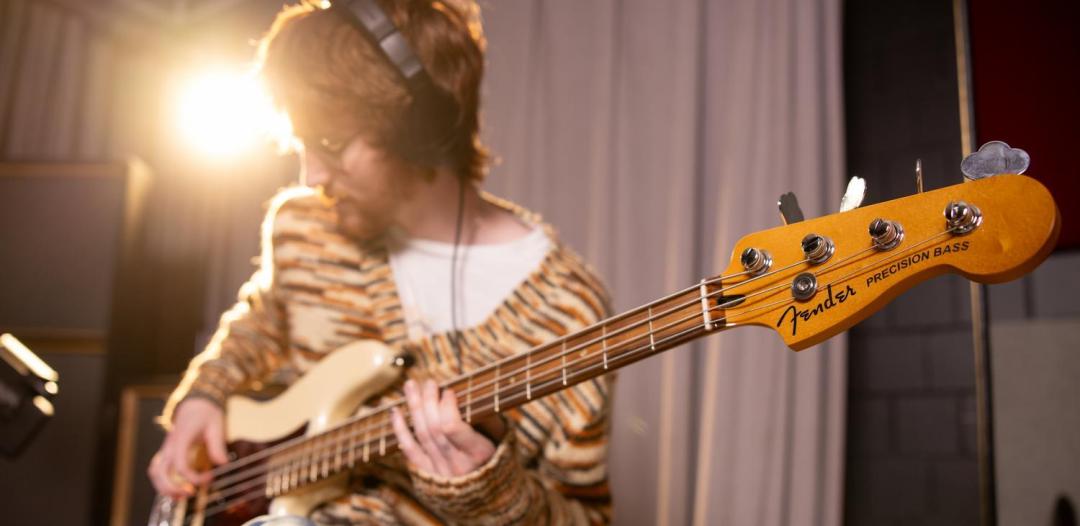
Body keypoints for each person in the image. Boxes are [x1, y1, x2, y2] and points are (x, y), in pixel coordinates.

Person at [147, 0, 613, 523]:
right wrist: (207, 394)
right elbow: (264, 320)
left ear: (419, 131)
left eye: (331, 143)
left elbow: (586, 517)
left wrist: (494, 492)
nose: (310, 176)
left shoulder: (570, 308)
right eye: (301, 143)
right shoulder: (305, 226)